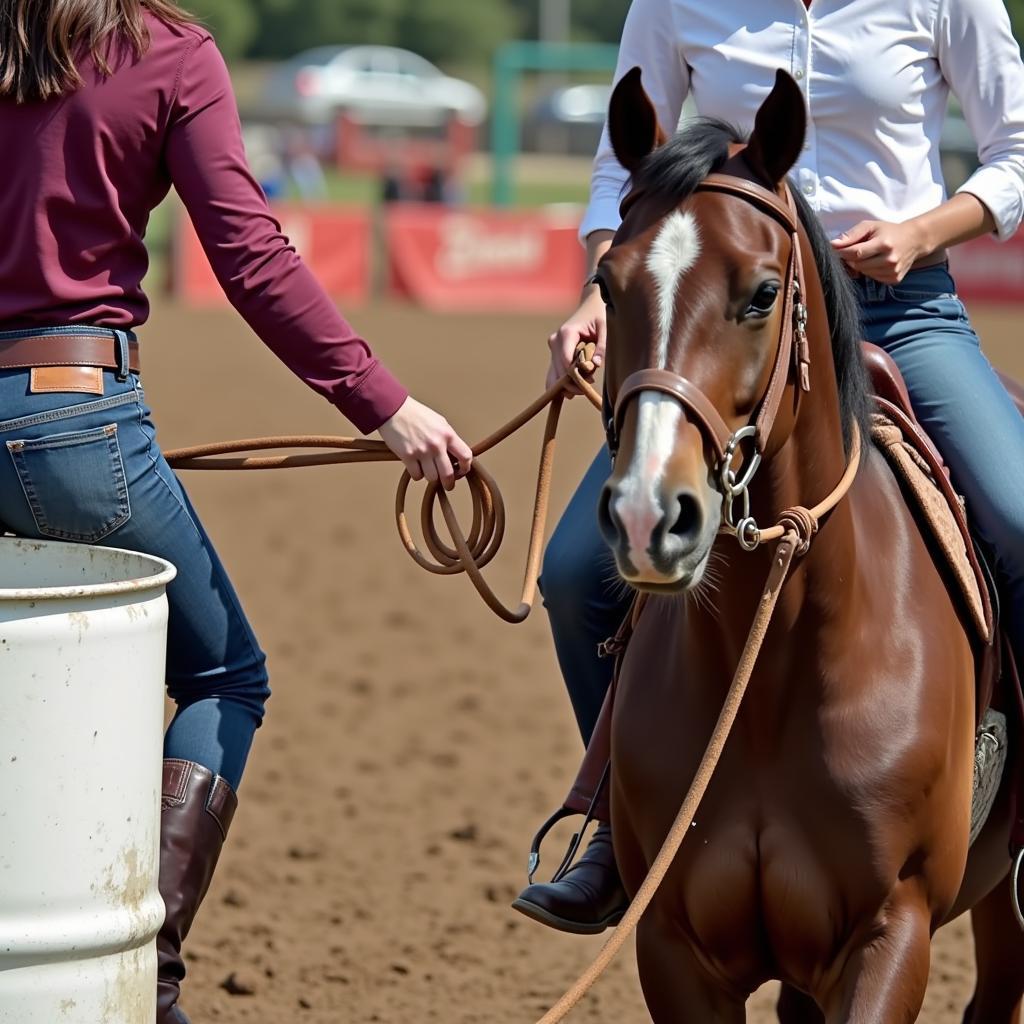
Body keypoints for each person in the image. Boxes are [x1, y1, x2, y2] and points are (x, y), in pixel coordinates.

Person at [0, 2, 473, 1020]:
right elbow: (253, 259)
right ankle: (144, 971)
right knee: (224, 674)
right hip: (75, 420)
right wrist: (384, 406)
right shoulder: (169, 52)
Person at [514, 0, 1024, 934]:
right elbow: (613, 173)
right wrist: (599, 286)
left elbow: (1017, 154)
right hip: (727, 318)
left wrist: (922, 232)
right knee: (578, 573)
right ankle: (615, 821)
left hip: (898, 312)